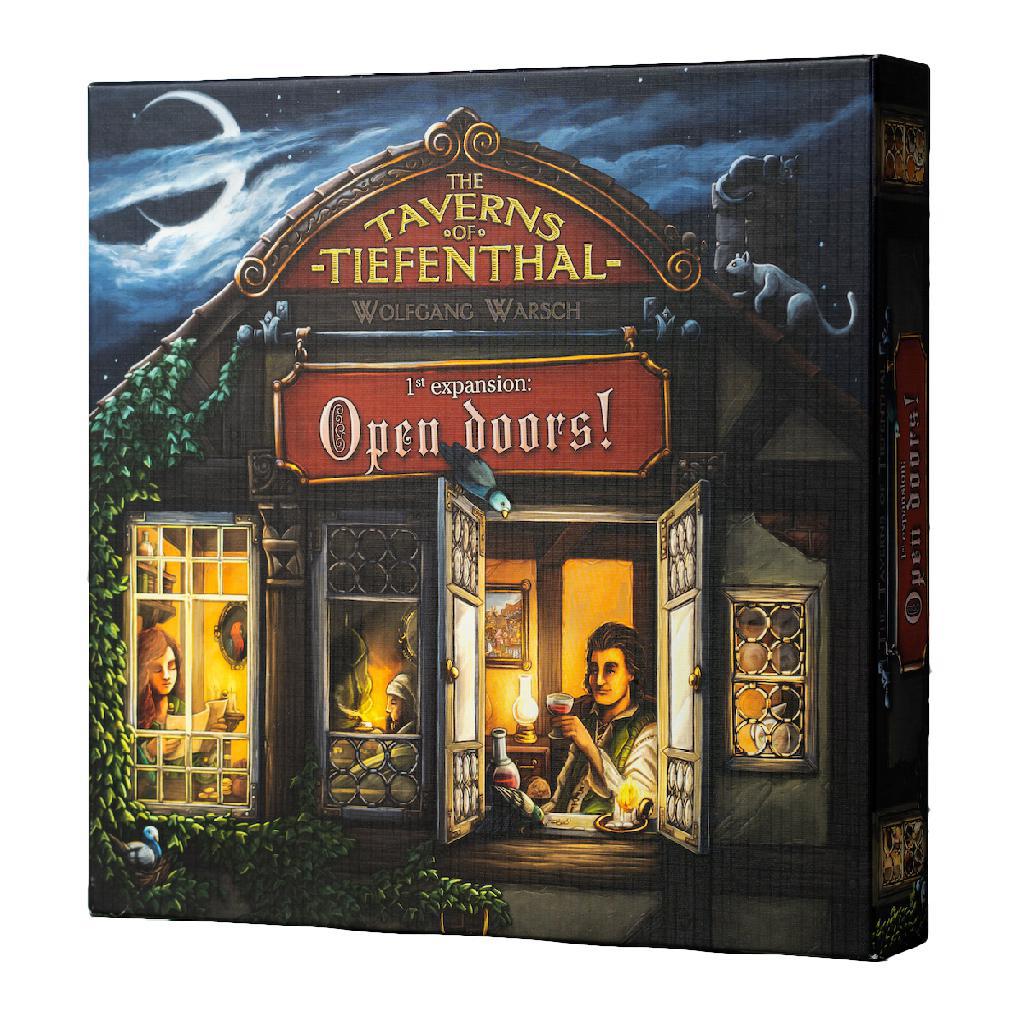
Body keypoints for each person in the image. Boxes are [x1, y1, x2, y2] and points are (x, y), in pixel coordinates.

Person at [499, 621, 657, 823]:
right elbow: (560, 798)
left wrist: (589, 747)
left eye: (610, 670)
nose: (598, 681)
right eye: (594, 670)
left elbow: (638, 809)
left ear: (631, 673)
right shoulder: (588, 718)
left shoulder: (647, 730)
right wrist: (538, 814)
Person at [136, 626, 186, 765]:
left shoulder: (183, 710)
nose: (166, 676)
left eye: (171, 667)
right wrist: (148, 751)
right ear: (143, 672)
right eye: (157, 669)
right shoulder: (135, 712)